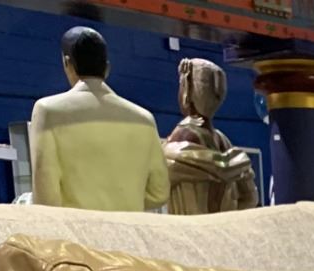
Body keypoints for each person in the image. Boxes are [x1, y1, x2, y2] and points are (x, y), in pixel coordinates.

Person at [30, 27, 169, 212]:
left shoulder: (49, 111)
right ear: (107, 68)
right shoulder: (145, 119)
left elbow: (46, 197)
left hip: (77, 228)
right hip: (129, 227)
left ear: (67, 63)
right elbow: (159, 193)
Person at [163, 59, 258, 215]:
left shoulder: (181, 137)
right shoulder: (225, 143)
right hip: (223, 228)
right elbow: (250, 197)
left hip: (190, 227)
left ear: (188, 89)